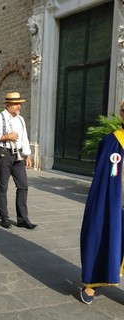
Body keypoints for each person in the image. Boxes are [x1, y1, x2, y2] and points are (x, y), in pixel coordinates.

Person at [80, 100, 124, 304]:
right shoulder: (112, 142)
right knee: (103, 235)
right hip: (116, 203)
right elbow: (103, 177)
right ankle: (92, 283)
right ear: (122, 114)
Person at [0, 92, 37, 229]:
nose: (19, 106)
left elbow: (24, 138)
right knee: (3, 186)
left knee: (23, 186)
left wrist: (27, 155)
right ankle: (4, 216)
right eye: (16, 104)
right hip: (3, 153)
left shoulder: (20, 119)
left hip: (17, 155)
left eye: (19, 103)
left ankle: (22, 218)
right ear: (7, 105)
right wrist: (6, 136)